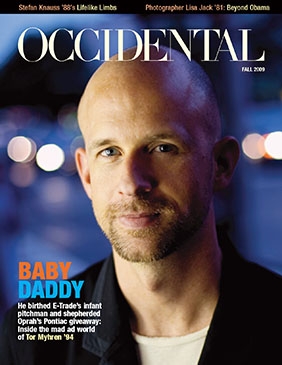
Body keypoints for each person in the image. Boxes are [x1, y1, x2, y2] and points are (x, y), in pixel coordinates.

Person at [1, 46, 282, 365]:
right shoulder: (31, 341)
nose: (132, 183)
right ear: (87, 173)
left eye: (163, 148)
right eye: (109, 152)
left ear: (221, 165)